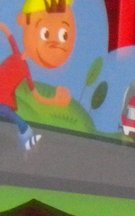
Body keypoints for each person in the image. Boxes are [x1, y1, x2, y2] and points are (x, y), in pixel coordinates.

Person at [0, 0, 77, 151]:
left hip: (3, 97)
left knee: (6, 112)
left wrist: (55, 101)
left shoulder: (26, 70)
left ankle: (26, 132)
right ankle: (26, 132)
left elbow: (37, 95)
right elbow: (6, 30)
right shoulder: (16, 52)